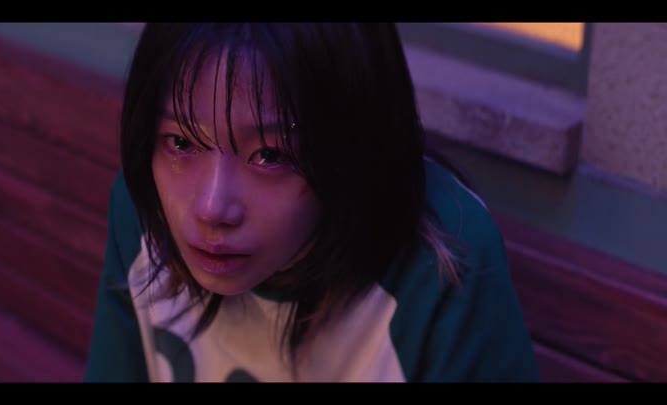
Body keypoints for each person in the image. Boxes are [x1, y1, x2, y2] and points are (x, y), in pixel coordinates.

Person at [83, 23, 540, 382]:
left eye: (271, 155)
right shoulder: (144, 212)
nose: (212, 208)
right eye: (181, 142)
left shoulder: (441, 263)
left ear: (353, 146)